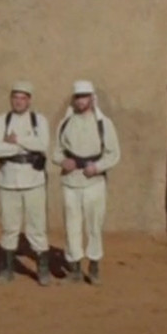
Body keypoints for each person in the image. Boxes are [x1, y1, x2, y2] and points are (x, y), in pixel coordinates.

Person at [51, 80, 122, 285]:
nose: (81, 100)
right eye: (78, 97)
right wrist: (63, 161)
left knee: (94, 225)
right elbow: (56, 152)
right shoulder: (65, 123)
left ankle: (94, 266)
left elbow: (113, 154)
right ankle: (74, 268)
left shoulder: (103, 124)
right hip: (70, 181)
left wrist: (97, 167)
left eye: (85, 96)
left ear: (91, 98)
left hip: (94, 181)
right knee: (71, 225)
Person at [0, 81, 52, 285]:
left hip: (33, 180)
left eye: (23, 98)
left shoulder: (39, 120)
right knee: (9, 227)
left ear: (29, 100)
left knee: (37, 227)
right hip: (8, 180)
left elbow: (42, 145)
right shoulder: (1, 121)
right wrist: (21, 147)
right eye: (15, 97)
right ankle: (7, 268)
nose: (18, 102)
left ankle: (42, 269)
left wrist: (16, 141)